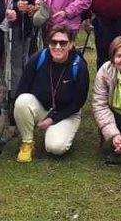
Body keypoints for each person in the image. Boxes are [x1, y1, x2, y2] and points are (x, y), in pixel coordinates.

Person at [13, 24, 90, 162]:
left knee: (55, 148)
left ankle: (58, 131)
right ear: (48, 43)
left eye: (63, 43)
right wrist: (14, 122)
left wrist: (53, 119)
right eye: (53, 42)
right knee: (22, 100)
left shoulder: (79, 66)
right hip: (42, 107)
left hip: (67, 112)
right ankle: (27, 143)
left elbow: (78, 103)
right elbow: (22, 89)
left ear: (71, 44)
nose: (58, 46)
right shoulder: (38, 59)